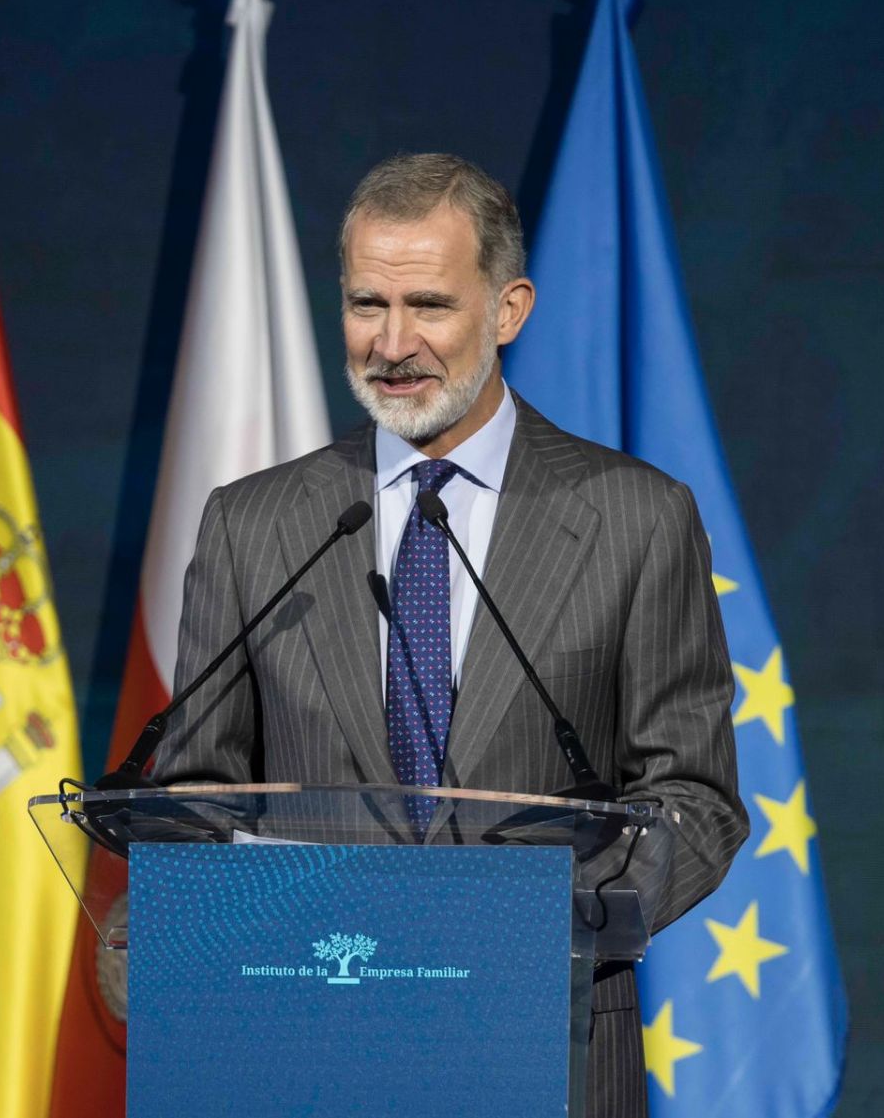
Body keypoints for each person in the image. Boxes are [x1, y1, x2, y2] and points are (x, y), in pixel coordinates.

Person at [151, 152, 746, 1117]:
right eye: (364, 305)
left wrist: (514, 929)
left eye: (427, 304)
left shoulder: (635, 517)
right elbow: (195, 791)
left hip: (545, 1050)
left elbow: (694, 796)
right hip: (304, 1057)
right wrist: (186, 919)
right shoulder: (254, 524)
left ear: (507, 310)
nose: (391, 343)